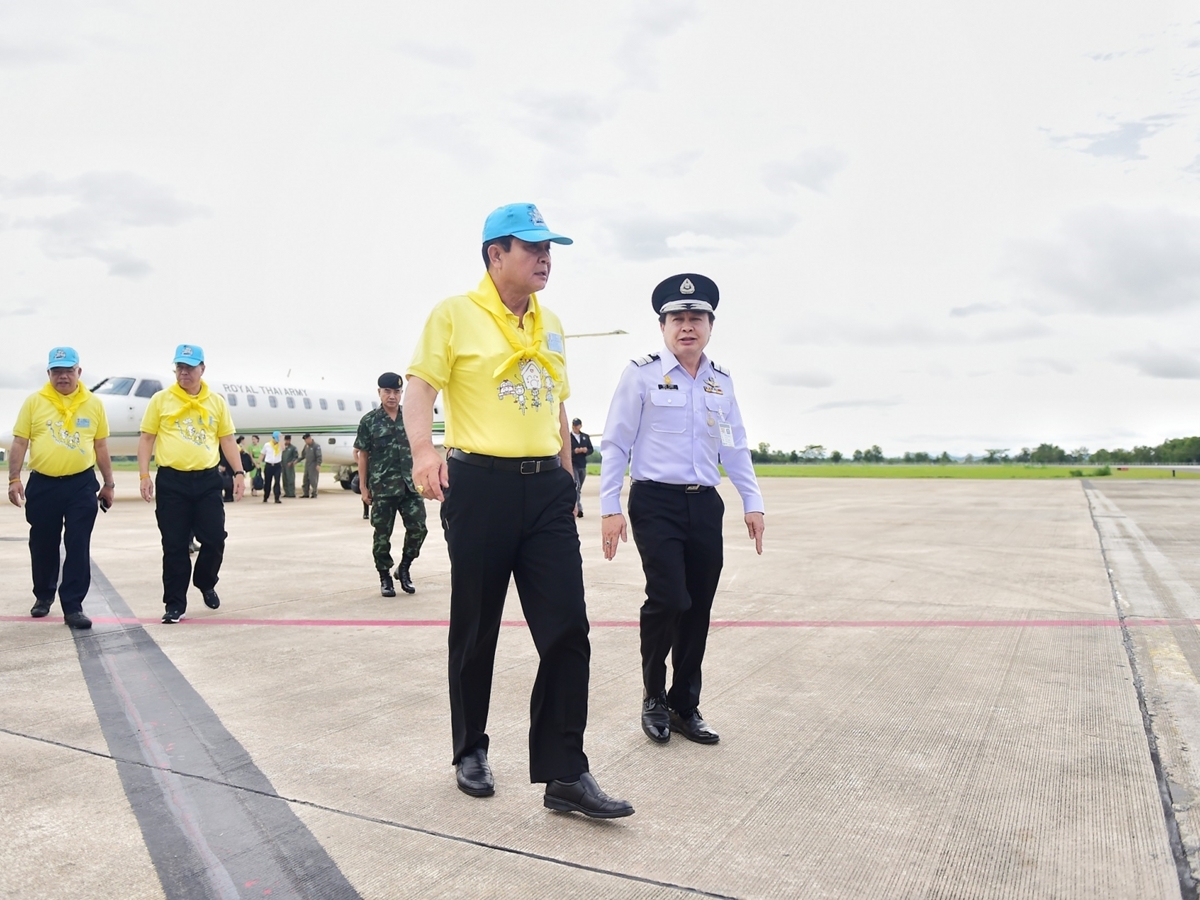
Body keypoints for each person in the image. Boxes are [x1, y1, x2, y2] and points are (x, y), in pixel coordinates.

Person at [404, 202, 632, 819]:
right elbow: (420, 387)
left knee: (567, 629)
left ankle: (564, 772)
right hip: (480, 486)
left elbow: (556, 401)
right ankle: (470, 749)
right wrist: (424, 452)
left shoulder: (550, 321)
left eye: (549, 249)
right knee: (476, 628)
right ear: (493, 255)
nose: (545, 258)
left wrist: (565, 474)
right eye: (531, 248)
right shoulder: (454, 314)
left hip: (545, 493)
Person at [599, 274, 765, 746]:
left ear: (710, 325)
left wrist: (752, 501)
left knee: (699, 607)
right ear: (663, 326)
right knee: (670, 599)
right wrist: (610, 506)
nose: (687, 326)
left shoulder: (720, 382)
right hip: (655, 502)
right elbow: (615, 443)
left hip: (704, 504)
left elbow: (735, 447)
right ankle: (653, 695)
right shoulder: (642, 374)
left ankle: (684, 705)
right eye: (678, 318)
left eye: (696, 318)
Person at [7, 347, 116, 629]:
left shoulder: (93, 404)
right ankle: (43, 596)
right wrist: (14, 478)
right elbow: (20, 442)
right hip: (43, 483)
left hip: (81, 483)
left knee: (78, 543)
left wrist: (109, 483)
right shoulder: (34, 402)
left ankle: (73, 606)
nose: (63, 376)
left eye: (69, 370)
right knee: (43, 542)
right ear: (49, 374)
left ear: (79, 372)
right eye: (57, 371)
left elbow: (101, 446)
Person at [138, 344, 245, 623]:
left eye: (189, 367)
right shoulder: (161, 400)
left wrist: (239, 473)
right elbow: (147, 438)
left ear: (202, 369)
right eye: (179, 367)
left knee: (214, 538)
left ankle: (205, 581)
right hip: (172, 482)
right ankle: (174, 604)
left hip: (207, 480)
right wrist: (144, 475)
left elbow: (227, 440)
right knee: (174, 546)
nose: (183, 372)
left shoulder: (216, 402)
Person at [355, 372, 428, 597]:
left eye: (396, 392)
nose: (392, 396)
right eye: (387, 391)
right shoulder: (369, 421)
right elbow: (362, 455)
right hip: (383, 488)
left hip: (410, 486)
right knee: (382, 535)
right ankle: (384, 576)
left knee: (419, 528)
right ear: (379, 392)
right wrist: (364, 488)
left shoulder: (411, 418)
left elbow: (422, 448)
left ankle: (404, 567)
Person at [569, 417, 593, 517]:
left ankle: (575, 504)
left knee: (579, 488)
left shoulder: (585, 437)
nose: (576, 427)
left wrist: (585, 450)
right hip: (573, 464)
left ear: (580, 426)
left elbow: (591, 449)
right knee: (577, 486)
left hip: (582, 464)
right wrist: (574, 451)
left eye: (577, 425)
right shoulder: (568, 437)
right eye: (574, 425)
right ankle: (579, 508)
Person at [261, 431, 283, 503]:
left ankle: (277, 498)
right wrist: (258, 463)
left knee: (277, 481)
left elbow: (283, 448)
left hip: (277, 465)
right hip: (269, 465)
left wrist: (281, 439)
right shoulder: (267, 445)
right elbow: (262, 454)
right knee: (267, 482)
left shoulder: (280, 445)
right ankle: (266, 496)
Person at [299, 433, 322, 497]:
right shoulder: (306, 446)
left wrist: (318, 464)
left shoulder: (316, 446)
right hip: (307, 464)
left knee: (313, 480)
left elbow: (319, 456)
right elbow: (303, 455)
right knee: (305, 480)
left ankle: (314, 493)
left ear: (309, 439)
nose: (305, 441)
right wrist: (297, 461)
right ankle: (306, 493)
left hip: (313, 465)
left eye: (306, 440)